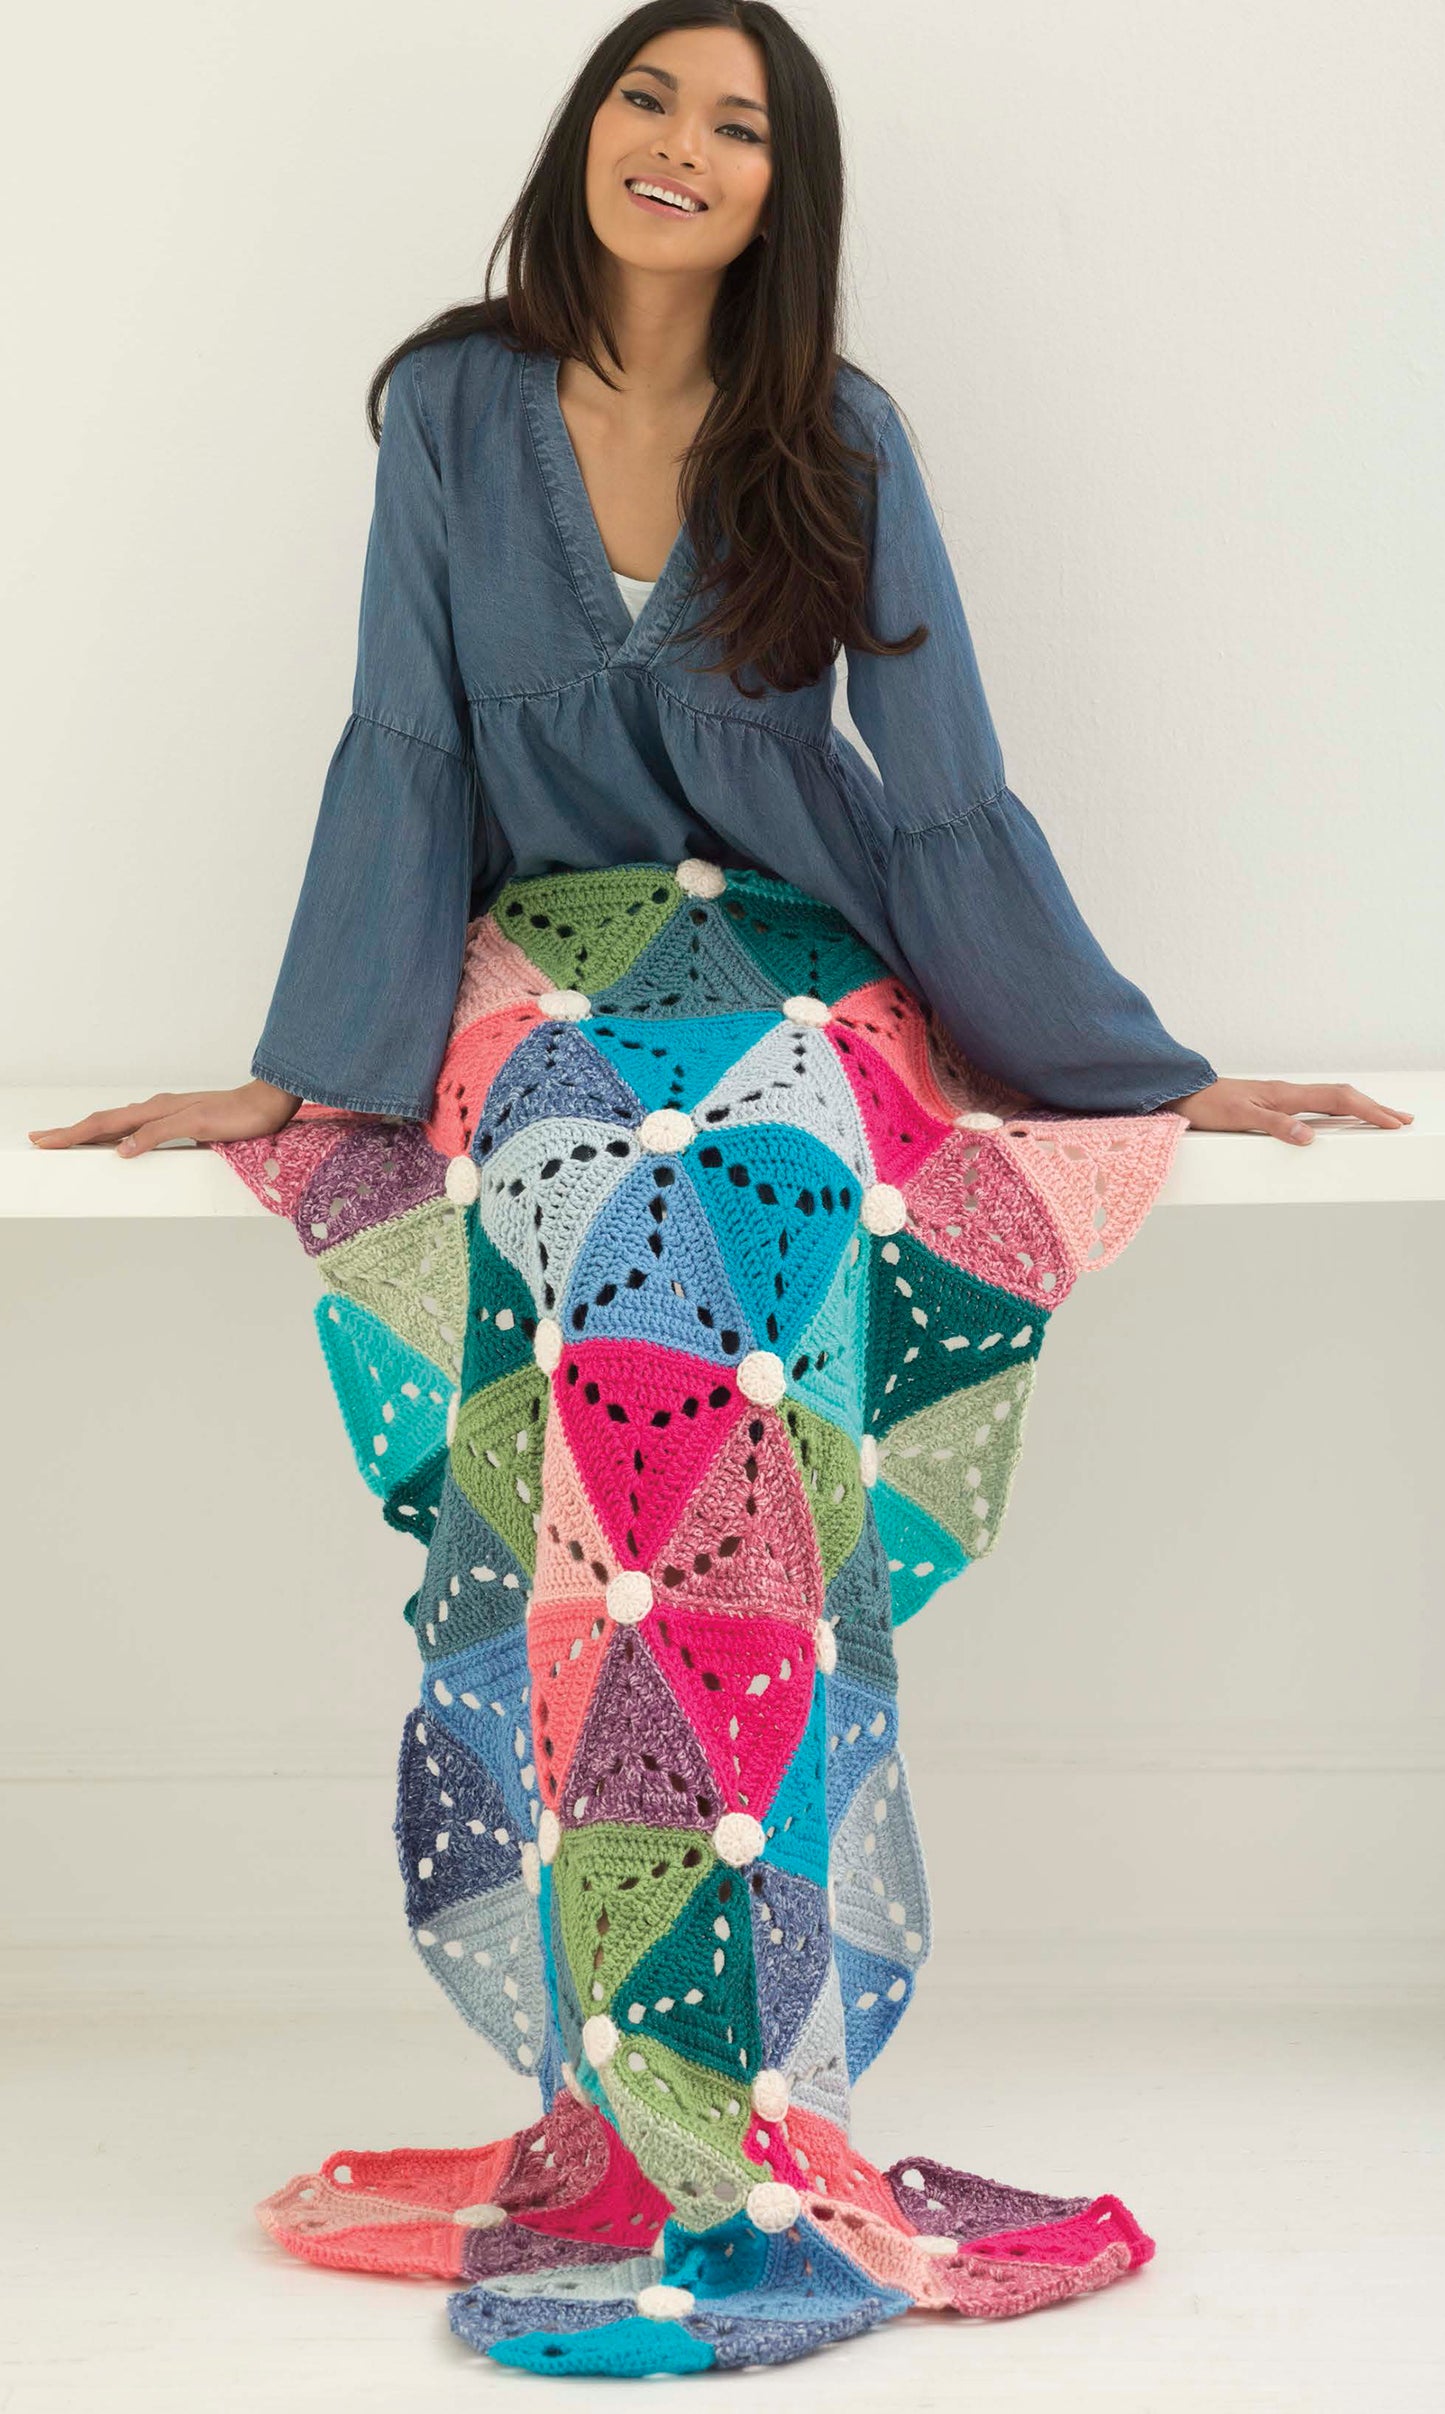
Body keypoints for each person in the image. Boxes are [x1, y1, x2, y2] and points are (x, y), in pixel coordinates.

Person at [27, 0, 1413, 2379]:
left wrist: (1141, 1073)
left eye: (737, 124)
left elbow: (947, 783)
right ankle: (627, 2063)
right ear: (586, 136)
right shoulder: (449, 408)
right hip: (537, 973)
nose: (680, 146)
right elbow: (394, 747)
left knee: (749, 1267)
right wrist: (300, 1071)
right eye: (648, 101)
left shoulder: (835, 439)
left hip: (793, 974)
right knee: (600, 1272)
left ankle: (755, 2063)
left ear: (788, 188)